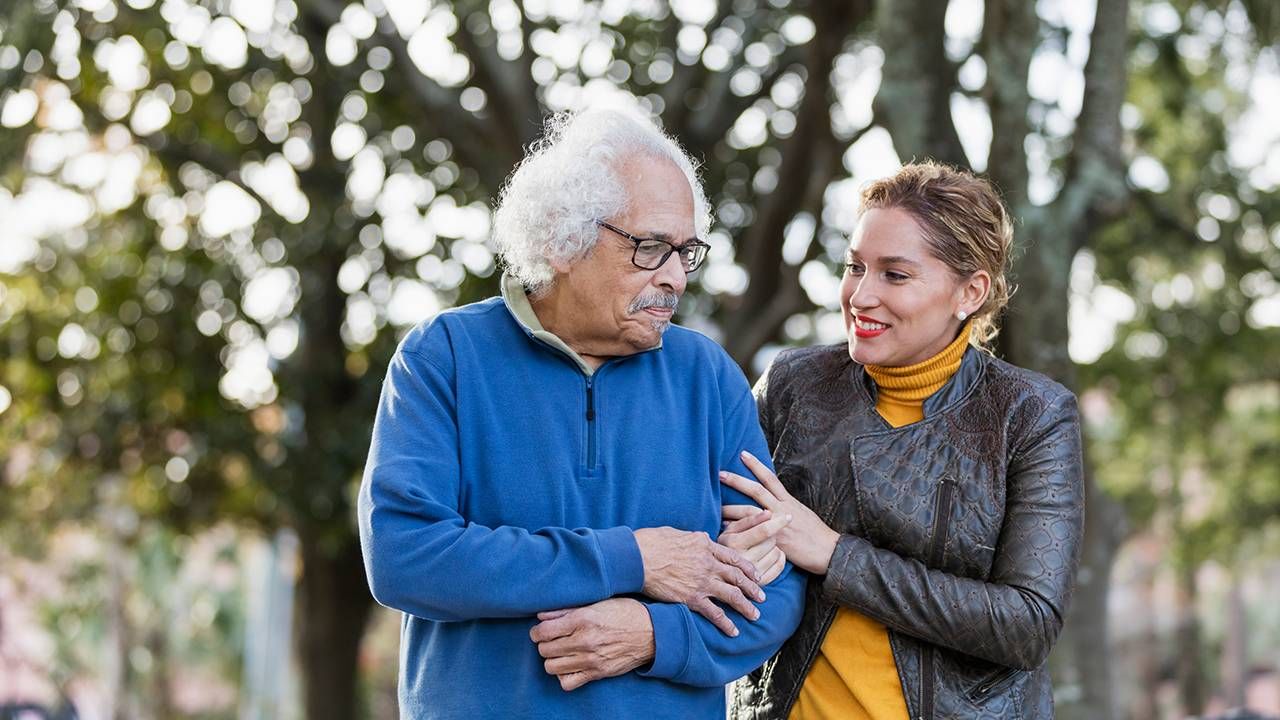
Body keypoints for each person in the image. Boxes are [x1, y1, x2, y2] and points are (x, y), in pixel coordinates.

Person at [357, 107, 804, 720]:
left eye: (686, 251)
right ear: (561, 241)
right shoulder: (444, 357)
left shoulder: (710, 378)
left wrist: (653, 636)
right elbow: (405, 556)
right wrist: (634, 559)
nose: (675, 276)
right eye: (650, 248)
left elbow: (774, 591)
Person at [721, 162, 1085, 719]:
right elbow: (714, 531)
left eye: (895, 275)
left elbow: (1027, 625)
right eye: (855, 267)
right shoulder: (794, 384)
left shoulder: (1030, 415)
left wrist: (835, 555)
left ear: (970, 291)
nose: (860, 296)